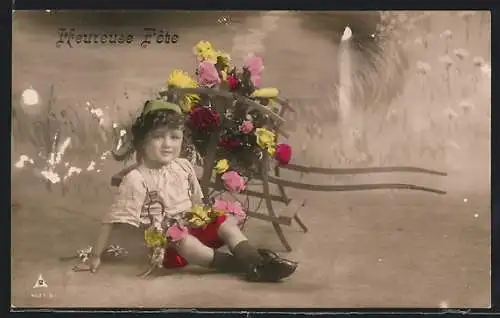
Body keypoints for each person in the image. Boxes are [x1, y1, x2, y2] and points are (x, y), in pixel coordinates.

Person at [88, 99, 298, 282]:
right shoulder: (137, 179)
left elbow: (198, 203)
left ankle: (253, 260)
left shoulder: (182, 167)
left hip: (192, 225)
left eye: (174, 137)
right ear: (142, 141)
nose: (167, 144)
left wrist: (209, 218)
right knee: (181, 239)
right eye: (158, 137)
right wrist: (95, 255)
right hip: (170, 248)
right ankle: (250, 265)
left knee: (224, 221)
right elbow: (111, 220)